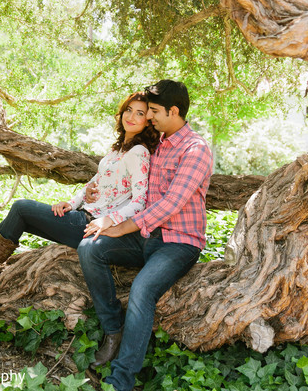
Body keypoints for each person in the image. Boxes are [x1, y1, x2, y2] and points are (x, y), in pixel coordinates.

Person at [0, 92, 160, 283]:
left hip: (92, 226)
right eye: (128, 110)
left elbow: (139, 203)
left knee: (21, 208)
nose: (131, 116)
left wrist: (109, 220)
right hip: (81, 214)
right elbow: (93, 183)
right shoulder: (118, 150)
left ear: (148, 121)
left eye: (139, 113)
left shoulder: (138, 153)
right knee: (19, 217)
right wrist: (71, 202)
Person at [77, 80, 213, 391]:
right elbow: (126, 180)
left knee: (142, 290)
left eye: (153, 111)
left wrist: (118, 226)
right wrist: (97, 199)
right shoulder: (158, 144)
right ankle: (113, 329)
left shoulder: (196, 150)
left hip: (178, 242)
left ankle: (120, 380)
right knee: (90, 248)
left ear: (173, 111)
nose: (148, 117)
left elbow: (171, 203)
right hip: (145, 235)